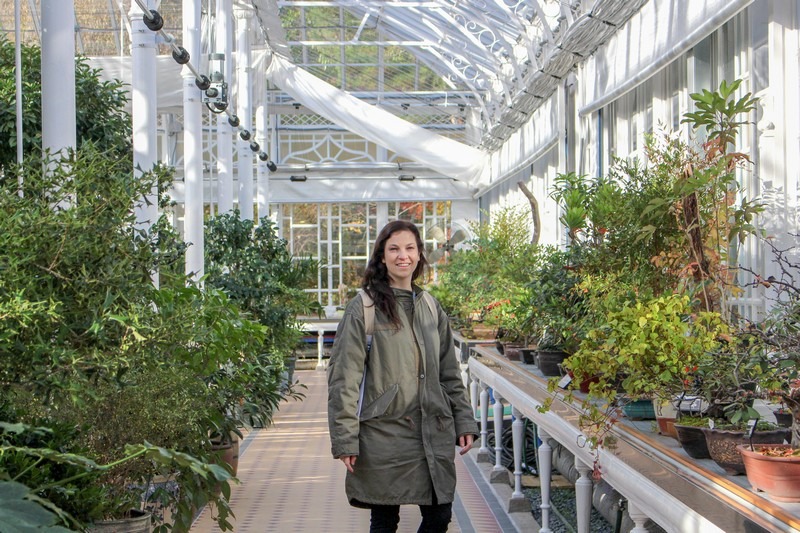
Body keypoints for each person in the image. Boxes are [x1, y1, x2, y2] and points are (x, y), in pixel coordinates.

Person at [327, 220, 479, 533]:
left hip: (432, 430)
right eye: (394, 249)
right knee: (384, 520)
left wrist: (464, 420)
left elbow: (449, 372)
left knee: (439, 516)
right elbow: (345, 379)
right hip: (384, 435)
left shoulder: (430, 307)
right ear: (381, 256)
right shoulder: (364, 308)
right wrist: (345, 439)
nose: (403, 256)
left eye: (410, 248)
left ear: (420, 255)